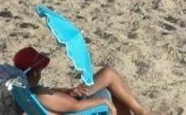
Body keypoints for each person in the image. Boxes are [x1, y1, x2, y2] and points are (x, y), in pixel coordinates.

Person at [14, 46, 161, 115]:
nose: (41, 72)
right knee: (109, 79)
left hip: (67, 104)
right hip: (80, 110)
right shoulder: (39, 94)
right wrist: (104, 102)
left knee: (109, 77)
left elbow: (54, 98)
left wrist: (68, 91)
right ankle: (142, 112)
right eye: (39, 69)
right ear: (34, 73)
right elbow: (76, 107)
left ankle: (141, 111)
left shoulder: (25, 91)